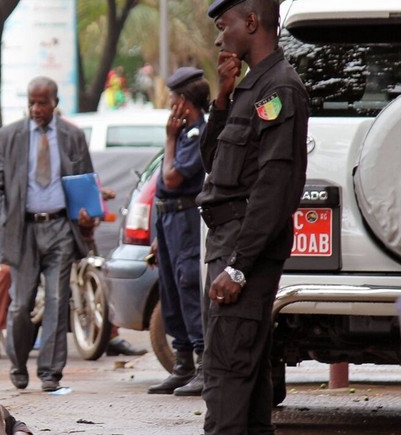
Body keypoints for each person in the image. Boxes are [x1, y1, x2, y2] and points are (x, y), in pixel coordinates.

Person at [198, 1, 309, 433]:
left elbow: (276, 186)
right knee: (245, 381)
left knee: (225, 379)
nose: (219, 36)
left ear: (250, 22)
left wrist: (239, 268)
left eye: (224, 25)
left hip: (243, 248)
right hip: (228, 241)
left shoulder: (279, 89)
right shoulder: (250, 89)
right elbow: (215, 165)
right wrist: (222, 97)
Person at [0, 76, 96, 392]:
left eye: (42, 102)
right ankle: (18, 364)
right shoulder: (8, 137)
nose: (35, 109)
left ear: (55, 102)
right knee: (21, 304)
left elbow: (86, 180)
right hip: (23, 230)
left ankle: (50, 373)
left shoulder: (72, 136)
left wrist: (87, 213)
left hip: (60, 227)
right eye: (31, 102)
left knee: (59, 301)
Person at [146, 67, 210, 397]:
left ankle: (202, 366)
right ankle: (182, 365)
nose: (170, 106)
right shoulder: (185, 134)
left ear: (184, 103)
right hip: (169, 222)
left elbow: (172, 179)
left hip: (185, 221)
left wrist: (169, 139)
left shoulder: (197, 134)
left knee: (187, 287)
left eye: (173, 100)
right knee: (170, 291)